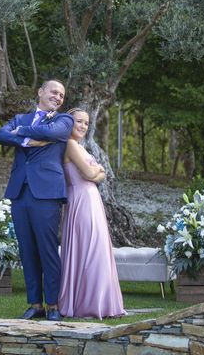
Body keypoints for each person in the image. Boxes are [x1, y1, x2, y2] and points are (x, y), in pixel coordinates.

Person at [0, 80, 74, 321]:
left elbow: (52, 133)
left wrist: (21, 133)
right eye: (54, 92)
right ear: (40, 92)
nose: (58, 97)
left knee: (48, 250)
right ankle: (35, 304)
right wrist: (26, 138)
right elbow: (0, 135)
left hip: (47, 192)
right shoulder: (21, 117)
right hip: (20, 192)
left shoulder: (64, 120)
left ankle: (53, 305)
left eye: (61, 95)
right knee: (27, 250)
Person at [58, 108, 125, 319]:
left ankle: (102, 303)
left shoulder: (80, 147)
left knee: (97, 249)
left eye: (86, 123)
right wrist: (97, 171)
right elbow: (91, 173)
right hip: (81, 200)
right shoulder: (69, 144)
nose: (83, 126)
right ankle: (86, 304)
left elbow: (103, 173)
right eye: (79, 121)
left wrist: (98, 172)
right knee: (88, 249)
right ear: (69, 123)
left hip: (91, 200)